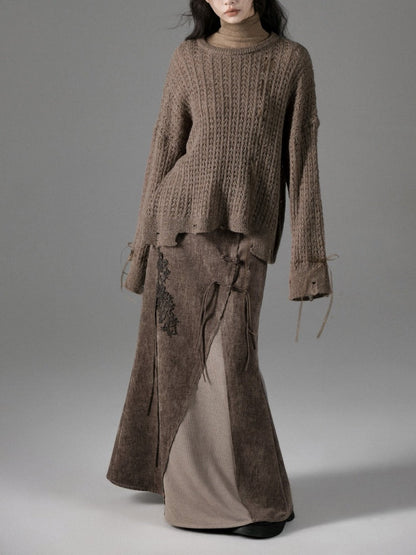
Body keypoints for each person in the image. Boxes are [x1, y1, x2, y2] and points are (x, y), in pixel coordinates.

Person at [106, 0, 338, 539]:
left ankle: (260, 496)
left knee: (233, 363)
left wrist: (307, 262)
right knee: (175, 364)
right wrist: (141, 250)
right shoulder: (188, 58)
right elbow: (164, 146)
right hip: (177, 229)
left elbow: (302, 160)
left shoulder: (290, 60)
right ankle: (216, 495)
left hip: (245, 236)